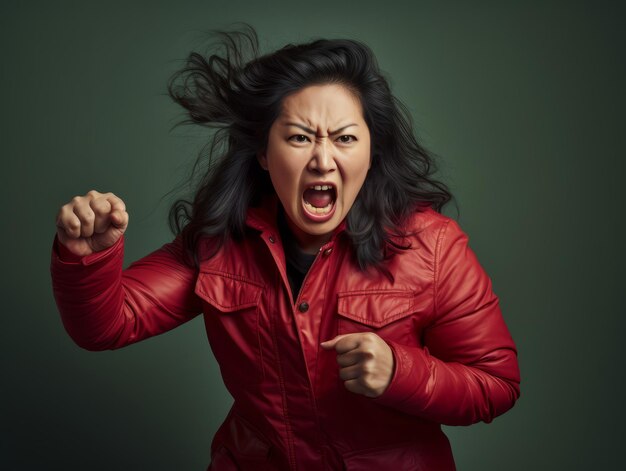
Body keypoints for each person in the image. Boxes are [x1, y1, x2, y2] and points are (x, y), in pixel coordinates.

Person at [51, 25, 520, 471]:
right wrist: (85, 255)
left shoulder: (432, 245)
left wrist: (401, 372)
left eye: (345, 139)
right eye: (299, 138)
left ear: (370, 152)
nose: (322, 159)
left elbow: (496, 384)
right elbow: (107, 325)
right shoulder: (219, 241)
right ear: (262, 152)